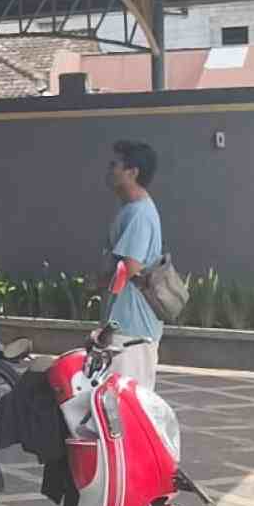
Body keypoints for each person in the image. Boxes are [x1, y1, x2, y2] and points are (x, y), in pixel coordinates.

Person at [103, 138, 164, 388]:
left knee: (125, 399)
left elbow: (129, 268)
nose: (110, 170)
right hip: (126, 326)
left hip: (131, 329)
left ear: (132, 172)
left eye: (114, 165)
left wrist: (99, 283)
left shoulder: (139, 214)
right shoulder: (132, 209)